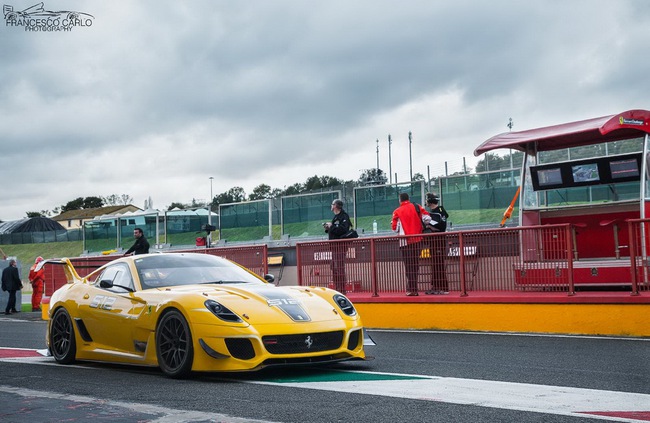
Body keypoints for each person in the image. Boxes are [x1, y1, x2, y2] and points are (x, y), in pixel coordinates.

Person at [391, 193, 429, 296]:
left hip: (405, 242)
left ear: (400, 200)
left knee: (408, 266)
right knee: (415, 264)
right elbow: (427, 218)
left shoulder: (397, 211)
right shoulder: (417, 207)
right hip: (417, 239)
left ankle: (412, 288)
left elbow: (395, 228)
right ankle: (414, 288)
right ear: (409, 198)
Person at [423, 193, 450, 295]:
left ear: (430, 201)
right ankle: (436, 286)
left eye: (427, 200)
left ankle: (443, 287)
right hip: (433, 242)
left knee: (438, 264)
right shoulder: (435, 212)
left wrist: (429, 226)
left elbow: (441, 227)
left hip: (438, 241)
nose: (426, 202)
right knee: (435, 264)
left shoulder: (438, 212)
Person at [323, 199, 351, 294]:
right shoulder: (335, 217)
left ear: (335, 205)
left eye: (332, 204)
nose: (331, 206)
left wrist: (332, 226)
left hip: (340, 246)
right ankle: (338, 287)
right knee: (334, 267)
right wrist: (328, 228)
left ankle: (342, 290)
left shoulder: (344, 216)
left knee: (339, 267)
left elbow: (343, 229)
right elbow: (335, 229)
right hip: (334, 246)